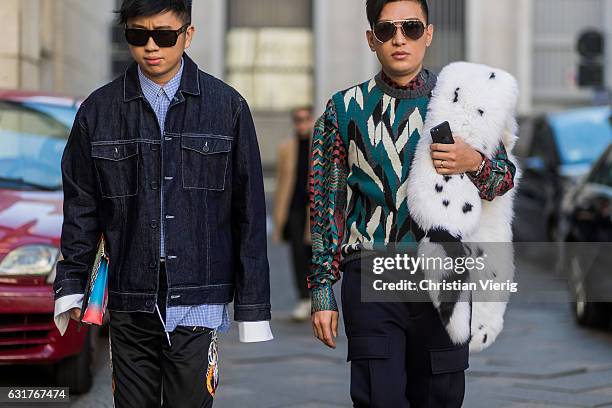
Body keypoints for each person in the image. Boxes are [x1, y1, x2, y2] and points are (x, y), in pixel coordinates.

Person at [53, 1, 272, 406]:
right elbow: (81, 204)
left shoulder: (228, 107)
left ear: (188, 34)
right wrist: (70, 281)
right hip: (127, 296)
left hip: (199, 298)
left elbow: (249, 213)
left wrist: (253, 305)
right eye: (138, 35)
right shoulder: (98, 112)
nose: (151, 46)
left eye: (164, 35)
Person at [308, 0, 517, 406]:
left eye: (412, 28)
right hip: (371, 270)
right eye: (386, 30)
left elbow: (502, 182)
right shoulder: (343, 109)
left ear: (429, 33)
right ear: (371, 40)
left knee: (441, 397)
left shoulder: (463, 103)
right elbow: (324, 206)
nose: (399, 39)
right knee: (378, 399)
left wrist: (473, 161)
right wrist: (321, 291)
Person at [272, 106, 315, 321]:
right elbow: (281, 182)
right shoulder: (286, 147)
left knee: (315, 255)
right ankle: (303, 298)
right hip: (294, 208)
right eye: (298, 119)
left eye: (306, 118)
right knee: (297, 254)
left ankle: (317, 297)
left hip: (315, 209)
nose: (302, 123)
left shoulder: (321, 146)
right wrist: (279, 213)